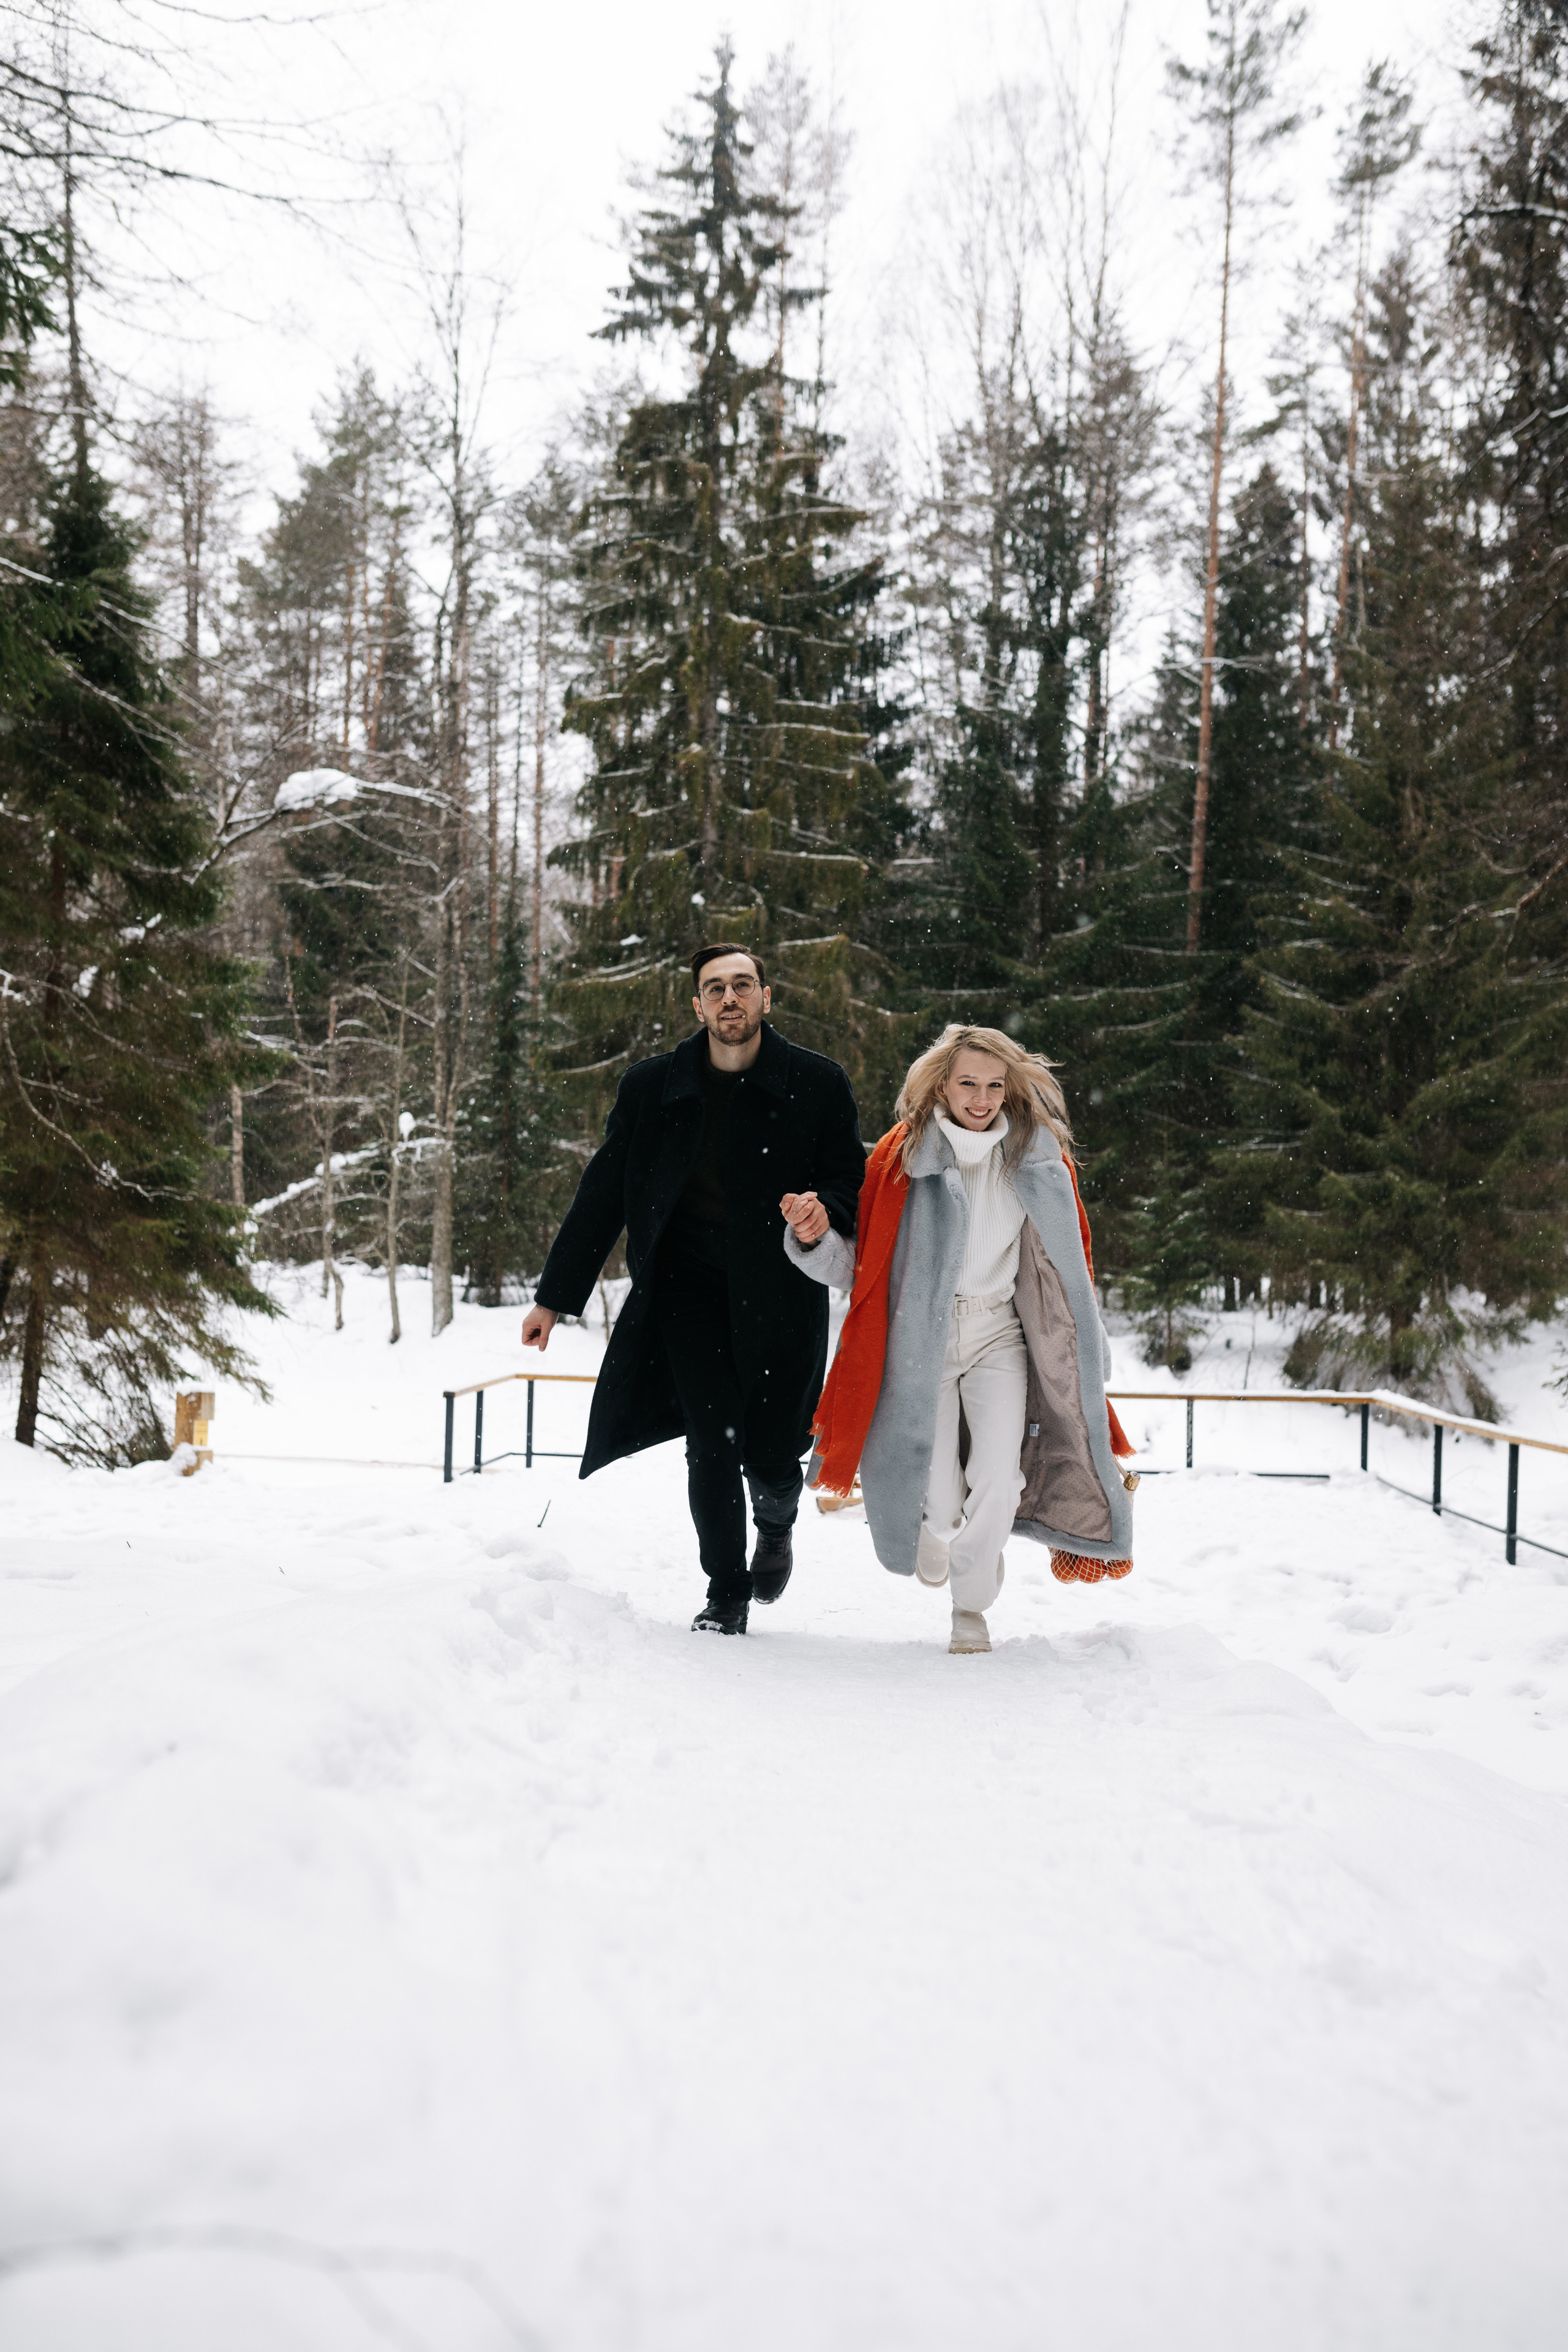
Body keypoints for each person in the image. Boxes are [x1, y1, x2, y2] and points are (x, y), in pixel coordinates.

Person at [522, 944, 865, 1636]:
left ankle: (776, 1522)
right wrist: (554, 1297)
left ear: (768, 998)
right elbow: (603, 1194)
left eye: (742, 985)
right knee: (710, 1441)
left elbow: (849, 1180)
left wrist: (822, 1209)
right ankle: (726, 1591)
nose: (729, 999)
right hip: (686, 1289)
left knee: (772, 1454)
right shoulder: (653, 1087)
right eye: (715, 988)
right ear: (697, 1005)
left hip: (780, 1290)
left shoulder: (817, 1083)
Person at [780, 1024, 1135, 1654]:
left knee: (998, 1480)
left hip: (1002, 1335)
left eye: (994, 1085)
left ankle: (970, 1609)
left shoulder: (1038, 1156)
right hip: (924, 1345)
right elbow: (858, 1272)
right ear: (941, 1083)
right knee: (940, 1502)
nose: (981, 1098)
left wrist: (1088, 1344)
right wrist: (813, 1237)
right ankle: (947, 1538)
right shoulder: (900, 1159)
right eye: (968, 1083)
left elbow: (1068, 1266)